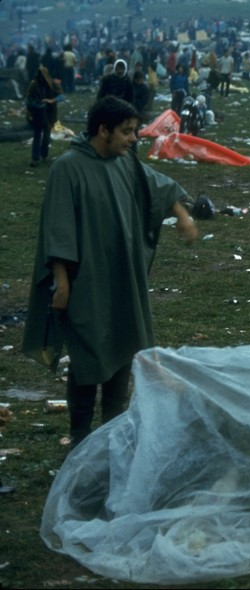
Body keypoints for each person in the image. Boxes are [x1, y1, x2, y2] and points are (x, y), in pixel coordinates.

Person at [21, 96, 198, 449]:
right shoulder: (68, 168)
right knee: (89, 354)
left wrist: (181, 213)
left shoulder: (123, 162)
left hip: (123, 277)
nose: (134, 138)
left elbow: (156, 186)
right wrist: (61, 282)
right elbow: (58, 227)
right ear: (103, 130)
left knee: (123, 346)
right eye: (127, 132)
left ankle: (113, 432)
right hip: (86, 280)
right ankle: (80, 436)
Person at [25, 65, 59, 167]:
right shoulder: (34, 84)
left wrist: (51, 100)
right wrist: (30, 109)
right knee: (37, 135)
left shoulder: (51, 84)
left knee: (46, 136)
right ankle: (35, 158)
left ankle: (44, 155)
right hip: (38, 113)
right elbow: (29, 98)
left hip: (49, 113)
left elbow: (60, 95)